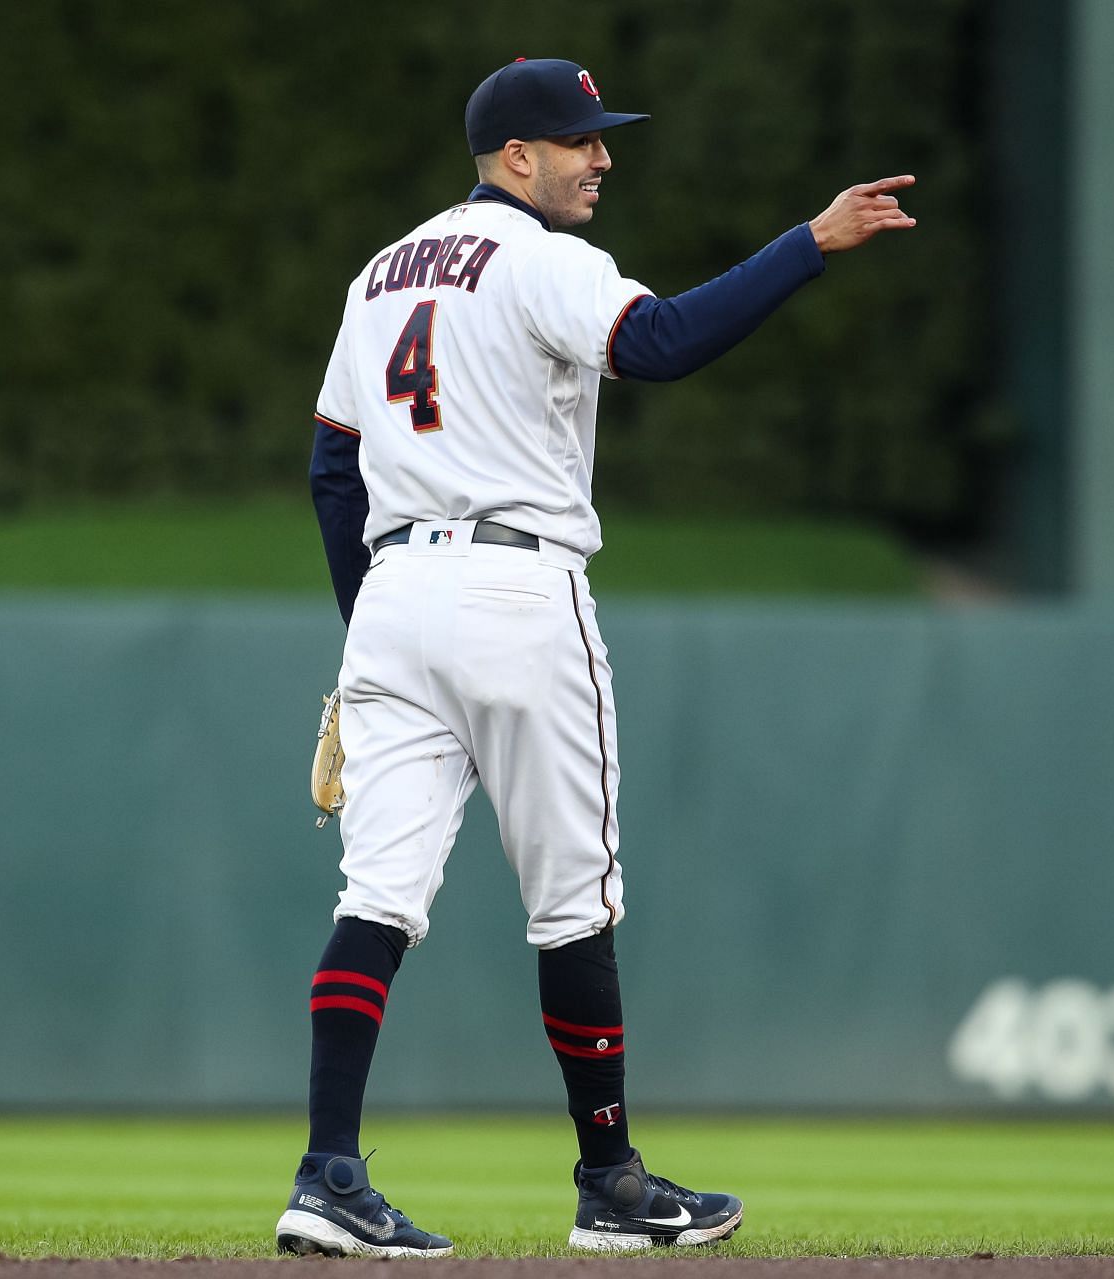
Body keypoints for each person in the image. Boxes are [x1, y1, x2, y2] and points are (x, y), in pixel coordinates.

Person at [276, 56, 916, 1258]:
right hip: (517, 586)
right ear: (518, 156)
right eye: (581, 140)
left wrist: (367, 625)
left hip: (397, 594)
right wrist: (809, 243)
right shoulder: (539, 258)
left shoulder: (377, 273)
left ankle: (327, 1175)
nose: (603, 156)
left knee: (376, 898)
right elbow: (661, 342)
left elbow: (330, 468)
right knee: (575, 902)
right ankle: (611, 1184)